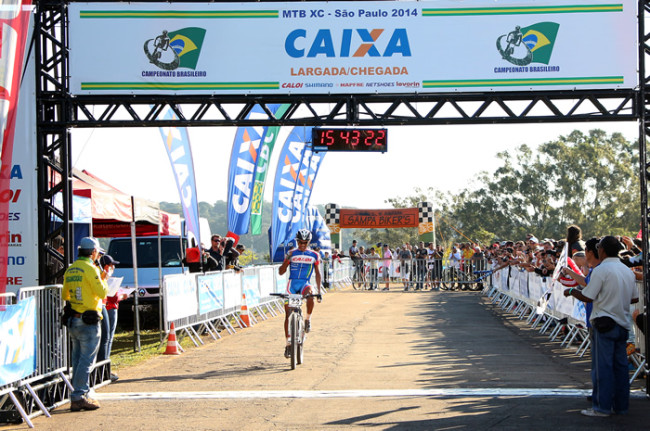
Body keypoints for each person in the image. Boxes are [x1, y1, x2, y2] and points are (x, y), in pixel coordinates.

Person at [563, 236, 638, 417]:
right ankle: (621, 406)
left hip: (604, 322)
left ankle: (601, 407)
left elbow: (588, 296)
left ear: (602, 250)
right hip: (622, 322)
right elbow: (634, 298)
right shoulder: (627, 270)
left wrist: (572, 291)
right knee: (620, 368)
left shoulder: (601, 270)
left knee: (602, 367)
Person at [62, 237, 108, 411]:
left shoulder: (71, 269)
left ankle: (81, 393)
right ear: (94, 252)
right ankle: (79, 395)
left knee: (77, 359)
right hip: (88, 320)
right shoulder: (91, 269)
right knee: (86, 361)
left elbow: (65, 295)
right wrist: (104, 277)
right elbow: (103, 292)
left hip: (73, 318)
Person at [278, 229, 322, 358]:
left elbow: (318, 273)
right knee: (287, 314)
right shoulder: (291, 253)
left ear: (309, 242)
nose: (302, 245)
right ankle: (288, 344)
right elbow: (281, 272)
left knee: (310, 294)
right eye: (300, 242)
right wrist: (287, 261)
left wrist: (319, 291)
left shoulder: (314, 255)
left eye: (305, 242)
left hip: (304, 283)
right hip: (292, 284)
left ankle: (307, 319)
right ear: (297, 241)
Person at [97, 254, 125, 383]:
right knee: (106, 339)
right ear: (107, 266)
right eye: (112, 265)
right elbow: (108, 294)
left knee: (107, 339)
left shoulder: (103, 275)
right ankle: (103, 370)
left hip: (109, 307)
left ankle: (104, 369)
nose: (113, 267)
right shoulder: (100, 276)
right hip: (107, 307)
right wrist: (120, 296)